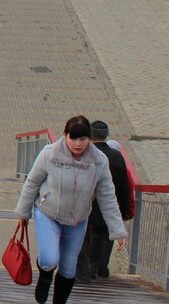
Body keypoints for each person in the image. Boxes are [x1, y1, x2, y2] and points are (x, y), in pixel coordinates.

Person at [14, 115, 128, 304]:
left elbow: (107, 196)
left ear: (89, 139)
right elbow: (32, 183)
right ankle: (44, 278)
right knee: (49, 260)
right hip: (48, 213)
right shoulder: (49, 153)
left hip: (77, 220)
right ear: (65, 135)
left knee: (68, 268)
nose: (77, 144)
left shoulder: (99, 161)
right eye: (73, 138)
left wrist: (118, 230)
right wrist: (23, 213)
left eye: (82, 139)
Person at [77, 121, 132, 283]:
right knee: (104, 236)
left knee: (83, 236)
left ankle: (85, 268)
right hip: (106, 205)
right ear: (106, 135)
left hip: (84, 205)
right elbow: (124, 184)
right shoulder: (116, 156)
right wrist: (125, 209)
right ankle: (99, 268)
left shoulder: (83, 154)